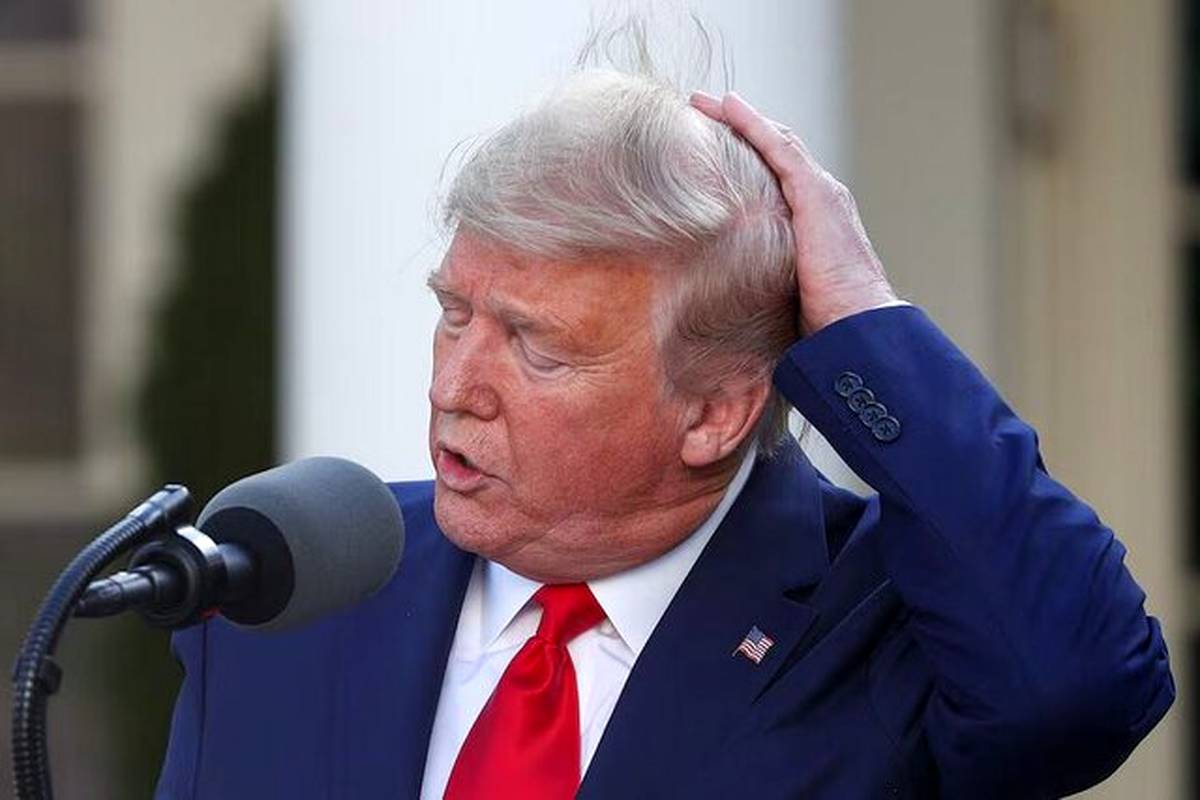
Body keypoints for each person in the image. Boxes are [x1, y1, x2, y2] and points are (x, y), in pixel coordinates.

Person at [155, 57, 1174, 800]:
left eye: (536, 347)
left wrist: (865, 323)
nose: (456, 385)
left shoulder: (871, 623)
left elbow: (1079, 691)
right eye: (455, 313)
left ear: (716, 413)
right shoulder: (296, 590)